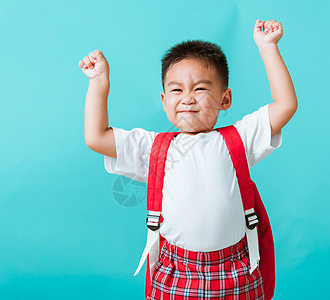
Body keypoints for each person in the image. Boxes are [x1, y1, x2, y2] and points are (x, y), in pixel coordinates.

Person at [79, 19, 297, 300]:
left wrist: (268, 47)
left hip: (235, 270)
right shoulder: (153, 148)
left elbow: (286, 105)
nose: (188, 99)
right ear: (163, 100)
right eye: (177, 90)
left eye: (201, 88)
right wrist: (98, 83)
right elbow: (96, 137)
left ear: (225, 99)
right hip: (174, 273)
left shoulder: (239, 139)